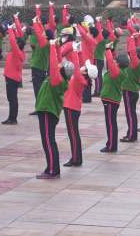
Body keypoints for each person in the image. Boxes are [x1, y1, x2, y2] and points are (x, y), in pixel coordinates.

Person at [34, 40, 69, 179]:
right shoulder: (59, 77)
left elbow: (54, 65)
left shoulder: (57, 80)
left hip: (48, 112)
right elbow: (57, 64)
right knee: (47, 140)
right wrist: (57, 47)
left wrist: (53, 47)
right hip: (46, 111)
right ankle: (51, 167)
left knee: (49, 141)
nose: (60, 63)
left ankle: (53, 170)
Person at [63, 43, 98, 167]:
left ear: (85, 73)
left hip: (71, 107)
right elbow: (81, 65)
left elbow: (77, 66)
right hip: (72, 107)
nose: (84, 67)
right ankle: (77, 158)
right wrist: (79, 51)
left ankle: (76, 159)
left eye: (85, 68)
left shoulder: (79, 78)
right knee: (74, 134)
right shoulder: (82, 78)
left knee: (73, 134)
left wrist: (74, 52)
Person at [99, 41, 127, 153]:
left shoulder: (117, 72)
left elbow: (110, 61)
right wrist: (111, 49)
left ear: (119, 64)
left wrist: (107, 50)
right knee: (111, 122)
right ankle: (111, 143)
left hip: (110, 100)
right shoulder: (121, 70)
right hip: (111, 99)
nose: (114, 61)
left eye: (117, 61)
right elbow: (112, 61)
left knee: (110, 123)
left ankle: (111, 145)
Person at [2, 14, 25, 125]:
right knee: (12, 99)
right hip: (12, 77)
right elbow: (16, 38)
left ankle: (12, 118)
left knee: (12, 99)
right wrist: (15, 21)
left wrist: (10, 29)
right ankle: (12, 117)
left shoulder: (17, 52)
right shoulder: (19, 52)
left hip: (12, 78)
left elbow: (12, 40)